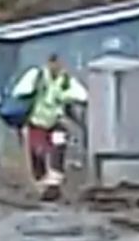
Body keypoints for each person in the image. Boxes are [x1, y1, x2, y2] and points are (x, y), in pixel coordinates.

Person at [11, 54, 88, 198]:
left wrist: (67, 96)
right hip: (36, 122)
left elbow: (82, 95)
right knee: (38, 153)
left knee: (57, 149)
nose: (56, 67)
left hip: (55, 122)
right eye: (53, 63)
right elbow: (19, 92)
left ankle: (54, 185)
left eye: (58, 63)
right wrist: (32, 91)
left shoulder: (65, 80)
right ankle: (42, 184)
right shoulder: (37, 76)